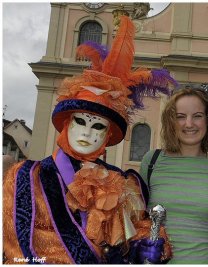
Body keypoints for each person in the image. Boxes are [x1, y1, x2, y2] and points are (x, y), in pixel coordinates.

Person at [3, 16, 177, 264]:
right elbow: (19, 249)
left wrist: (148, 247)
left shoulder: (124, 183)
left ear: (108, 136)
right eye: (80, 122)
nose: (87, 133)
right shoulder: (28, 178)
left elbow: (136, 234)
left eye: (98, 127)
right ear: (66, 124)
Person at [139, 88, 208, 264]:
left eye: (197, 115)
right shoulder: (152, 161)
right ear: (171, 122)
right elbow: (135, 220)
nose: (189, 124)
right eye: (180, 116)